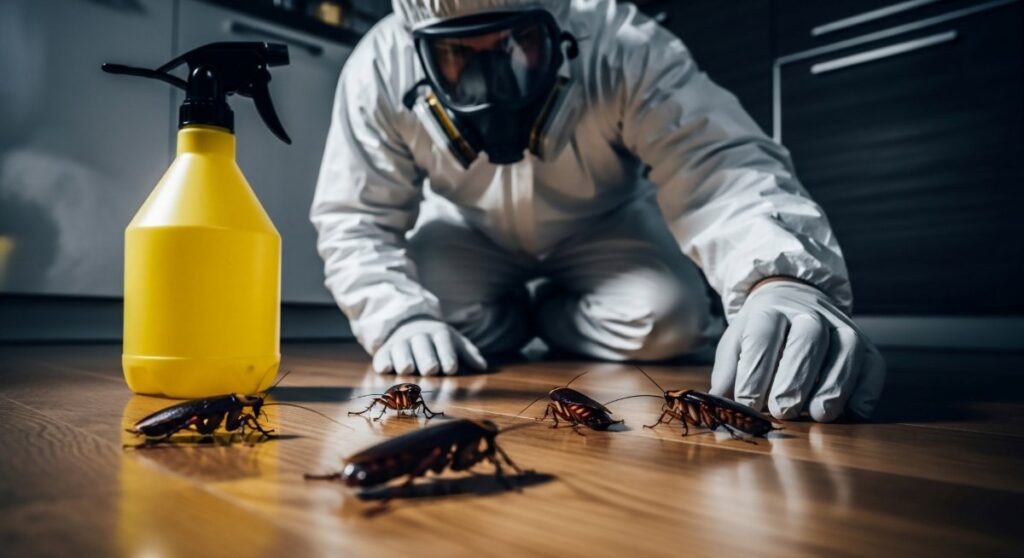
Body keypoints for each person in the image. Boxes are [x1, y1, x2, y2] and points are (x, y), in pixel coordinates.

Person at [311, 0, 886, 422]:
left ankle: (547, 317)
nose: (496, 78)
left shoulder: (621, 40)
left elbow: (714, 159)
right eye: (459, 54)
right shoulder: (378, 66)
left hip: (602, 225)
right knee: (436, 325)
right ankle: (516, 316)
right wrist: (397, 317)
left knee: (671, 319)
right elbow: (353, 216)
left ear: (558, 26)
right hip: (467, 230)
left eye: (515, 46)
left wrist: (780, 275)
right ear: (421, 50)